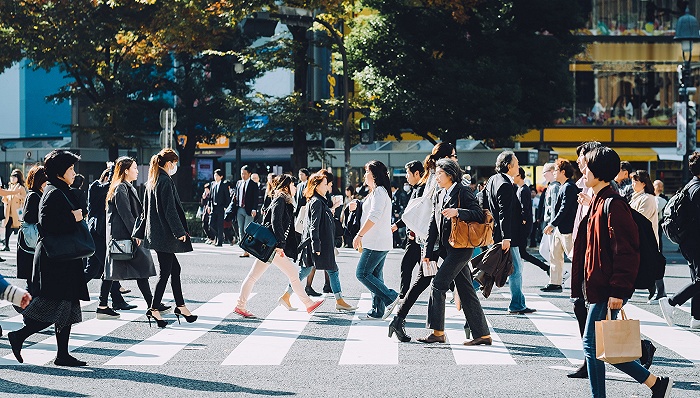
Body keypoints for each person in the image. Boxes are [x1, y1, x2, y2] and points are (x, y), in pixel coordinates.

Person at [571, 146, 673, 398]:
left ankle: (649, 384)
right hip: (598, 285)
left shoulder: (613, 204)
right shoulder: (597, 200)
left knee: (591, 345)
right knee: (598, 347)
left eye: (587, 167)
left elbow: (626, 251)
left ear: (599, 172)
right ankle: (655, 384)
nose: (583, 170)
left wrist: (619, 289)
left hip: (608, 287)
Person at [8, 150, 90, 367]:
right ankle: (20, 336)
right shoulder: (53, 192)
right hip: (56, 261)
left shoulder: (60, 190)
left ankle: (61, 353)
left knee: (67, 307)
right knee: (58, 306)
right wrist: (73, 218)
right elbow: (47, 225)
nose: (74, 172)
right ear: (60, 171)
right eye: (70, 168)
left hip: (63, 259)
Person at [416, 158, 491, 345]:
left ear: (450, 174)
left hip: (462, 248)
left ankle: (438, 332)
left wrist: (458, 212)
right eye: (436, 174)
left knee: (438, 284)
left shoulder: (463, 191)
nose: (437, 177)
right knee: (466, 291)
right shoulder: (439, 194)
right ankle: (483, 335)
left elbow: (478, 214)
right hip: (447, 249)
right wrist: (427, 251)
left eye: (440, 174)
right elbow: (433, 224)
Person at [388, 144, 457, 341]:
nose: (455, 158)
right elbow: (434, 209)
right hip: (434, 239)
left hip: (433, 238)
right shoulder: (438, 176)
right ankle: (403, 320)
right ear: (444, 157)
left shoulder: (434, 175)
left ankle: (403, 321)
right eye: (453, 155)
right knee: (427, 279)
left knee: (441, 279)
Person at [234, 175, 325, 318]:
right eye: (293, 185)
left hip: (271, 246)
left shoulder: (285, 201)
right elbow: (276, 222)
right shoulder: (280, 200)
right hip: (273, 246)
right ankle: (308, 303)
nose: (295, 187)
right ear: (286, 186)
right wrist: (280, 245)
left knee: (253, 277)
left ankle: (240, 306)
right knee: (293, 274)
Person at [133, 148, 197, 328]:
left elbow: (145, 212)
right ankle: (154, 309)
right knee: (166, 272)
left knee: (174, 269)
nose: (175, 166)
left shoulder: (151, 182)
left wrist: (139, 233)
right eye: (174, 163)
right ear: (168, 163)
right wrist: (179, 232)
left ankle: (181, 306)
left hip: (157, 234)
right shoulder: (165, 181)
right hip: (166, 235)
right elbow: (170, 211)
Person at [287, 172, 356, 313]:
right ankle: (339, 301)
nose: (328, 187)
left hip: (320, 243)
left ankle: (286, 295)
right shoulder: (317, 202)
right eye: (325, 184)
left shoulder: (319, 200)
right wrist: (316, 245)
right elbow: (314, 225)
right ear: (317, 186)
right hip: (320, 244)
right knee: (325, 270)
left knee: (311, 271)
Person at [102, 156, 158, 319]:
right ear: (126, 171)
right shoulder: (120, 188)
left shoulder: (124, 186)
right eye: (134, 168)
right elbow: (126, 214)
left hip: (124, 237)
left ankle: (151, 304)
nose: (136, 170)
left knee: (114, 272)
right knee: (116, 272)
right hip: (124, 237)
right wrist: (136, 233)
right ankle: (152, 305)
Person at [482, 151, 535, 314]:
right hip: (507, 235)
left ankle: (518, 302)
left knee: (496, 266)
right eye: (517, 163)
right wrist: (507, 238)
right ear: (509, 166)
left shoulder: (492, 180)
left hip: (496, 233)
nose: (519, 167)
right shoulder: (505, 184)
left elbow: (482, 200)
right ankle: (516, 304)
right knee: (515, 269)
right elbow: (505, 213)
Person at [352, 160, 400, 320]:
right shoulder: (376, 192)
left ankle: (391, 297)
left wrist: (359, 235)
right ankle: (377, 310)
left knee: (362, 273)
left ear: (374, 175)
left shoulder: (379, 192)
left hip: (376, 242)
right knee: (375, 276)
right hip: (378, 241)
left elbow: (374, 215)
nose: (365, 175)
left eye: (367, 172)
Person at [659, 151, 700, 330]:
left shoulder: (690, 185)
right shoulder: (698, 190)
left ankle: (697, 318)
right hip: (695, 241)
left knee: (697, 279)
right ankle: (671, 302)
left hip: (688, 241)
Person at [84, 166, 131, 312]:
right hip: (96, 234)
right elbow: (108, 187)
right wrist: (113, 170)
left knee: (92, 269)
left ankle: (68, 291)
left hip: (102, 234)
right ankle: (108, 303)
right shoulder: (96, 187)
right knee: (110, 266)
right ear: (106, 178)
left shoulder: (106, 191)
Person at [391, 160, 426, 300]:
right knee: (426, 270)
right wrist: (397, 225)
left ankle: (402, 297)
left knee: (407, 266)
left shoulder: (421, 189)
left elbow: (417, 214)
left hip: (416, 236)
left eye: (407, 173)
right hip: (415, 236)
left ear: (417, 173)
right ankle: (455, 288)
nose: (406, 177)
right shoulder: (416, 189)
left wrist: (398, 225)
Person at [542, 159, 578, 292]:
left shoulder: (569, 187)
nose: (554, 172)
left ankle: (580, 281)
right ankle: (555, 282)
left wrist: (552, 224)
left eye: (556, 170)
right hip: (561, 228)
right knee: (555, 255)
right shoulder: (564, 186)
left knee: (573, 256)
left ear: (563, 172)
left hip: (567, 228)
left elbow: (564, 209)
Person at [629, 170, 664, 302]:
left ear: (643, 183)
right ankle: (655, 290)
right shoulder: (637, 197)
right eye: (632, 180)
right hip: (642, 237)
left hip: (647, 238)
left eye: (635, 181)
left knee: (652, 265)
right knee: (649, 265)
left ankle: (660, 292)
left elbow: (640, 219)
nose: (633, 183)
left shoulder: (647, 198)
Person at [16, 165, 47, 296]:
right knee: (33, 281)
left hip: (31, 243)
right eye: (45, 178)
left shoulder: (38, 194)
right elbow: (28, 216)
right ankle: (28, 311)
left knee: (35, 281)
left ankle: (29, 311)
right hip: (31, 243)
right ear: (39, 180)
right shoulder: (34, 195)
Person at [514, 167, 549, 274]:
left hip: (523, 227)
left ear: (519, 176)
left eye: (514, 175)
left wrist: (523, 221)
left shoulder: (523, 190)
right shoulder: (521, 189)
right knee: (521, 253)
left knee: (522, 253)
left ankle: (545, 267)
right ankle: (545, 268)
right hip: (524, 226)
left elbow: (525, 209)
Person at [230, 165, 258, 258]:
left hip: (249, 210)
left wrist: (254, 209)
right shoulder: (238, 183)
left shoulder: (253, 184)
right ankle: (245, 250)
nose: (243, 175)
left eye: (245, 174)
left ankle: (249, 248)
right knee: (240, 230)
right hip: (239, 209)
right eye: (242, 173)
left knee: (247, 229)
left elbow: (255, 198)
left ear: (249, 174)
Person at [3, 169, 27, 252]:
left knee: (19, 229)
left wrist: (18, 196)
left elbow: (25, 199)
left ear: (18, 178)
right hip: (9, 212)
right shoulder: (10, 187)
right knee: (7, 228)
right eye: (12, 176)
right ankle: (6, 245)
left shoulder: (21, 188)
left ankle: (23, 245)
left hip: (17, 212)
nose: (13, 178)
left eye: (15, 176)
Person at [210, 169, 231, 247]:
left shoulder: (224, 185)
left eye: (217, 175)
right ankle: (218, 236)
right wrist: (209, 206)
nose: (215, 177)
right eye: (214, 175)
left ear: (221, 176)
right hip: (213, 207)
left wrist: (226, 207)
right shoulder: (212, 184)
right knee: (211, 224)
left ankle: (219, 241)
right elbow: (211, 197)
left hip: (221, 207)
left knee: (220, 224)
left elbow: (227, 197)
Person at [653, 179, 668, 256]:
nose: (660, 188)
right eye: (658, 186)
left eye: (661, 186)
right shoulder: (650, 196)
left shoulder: (664, 198)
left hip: (659, 222)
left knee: (658, 237)